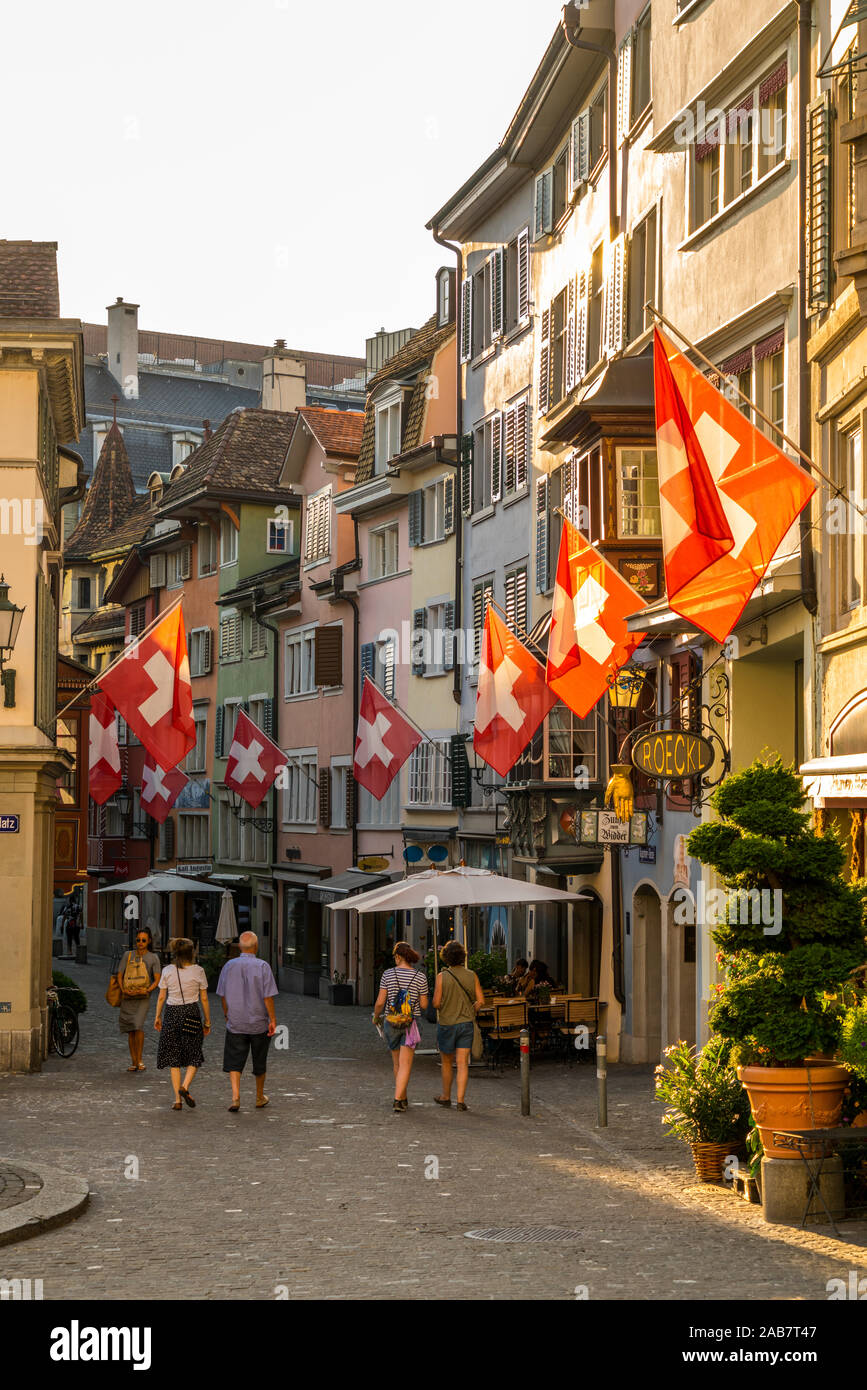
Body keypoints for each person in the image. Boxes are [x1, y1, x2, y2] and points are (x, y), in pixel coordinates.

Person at [216, 930, 278, 1113]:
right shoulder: (263, 966)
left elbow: (222, 994)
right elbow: (268, 997)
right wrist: (273, 1019)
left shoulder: (229, 966)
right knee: (259, 1060)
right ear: (256, 947)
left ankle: (235, 1096)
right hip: (259, 1022)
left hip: (236, 1021)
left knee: (234, 1060)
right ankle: (259, 1096)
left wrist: (227, 1014)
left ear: (240, 947)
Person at [153, 938, 210, 1111]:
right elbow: (205, 998)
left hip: (171, 1013)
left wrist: (157, 1016)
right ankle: (184, 1086)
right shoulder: (199, 971)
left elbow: (162, 996)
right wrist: (207, 1020)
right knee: (194, 1052)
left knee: (173, 1057)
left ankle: (177, 1100)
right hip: (191, 1013)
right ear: (191, 953)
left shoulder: (167, 970)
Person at [373, 942, 429, 1113]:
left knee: (397, 1063)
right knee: (406, 1064)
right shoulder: (420, 976)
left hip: (391, 1021)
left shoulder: (388, 974)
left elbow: (381, 1002)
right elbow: (424, 1005)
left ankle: (401, 1097)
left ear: (397, 956)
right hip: (411, 1024)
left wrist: (376, 1017)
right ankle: (399, 1099)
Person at [432, 941, 485, 1111]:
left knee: (447, 1062)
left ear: (446, 957)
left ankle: (446, 1096)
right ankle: (461, 1100)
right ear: (463, 956)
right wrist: (472, 1009)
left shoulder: (442, 976)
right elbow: (481, 1001)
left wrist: (446, 1005)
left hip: (447, 1024)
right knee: (462, 1063)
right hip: (466, 1024)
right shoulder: (472, 975)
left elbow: (436, 1003)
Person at [116, 928, 161, 1072]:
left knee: (138, 1025)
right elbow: (119, 975)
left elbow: (157, 980)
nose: (140, 943)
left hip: (143, 998)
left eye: (143, 940)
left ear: (148, 941)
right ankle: (134, 1061)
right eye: (138, 940)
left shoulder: (153, 958)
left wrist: (147, 990)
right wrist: (124, 990)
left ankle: (140, 1059)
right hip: (128, 997)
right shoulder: (127, 955)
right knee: (130, 1029)